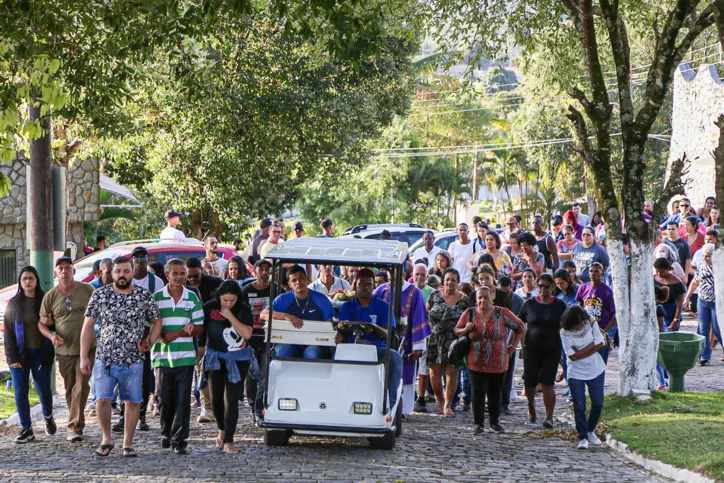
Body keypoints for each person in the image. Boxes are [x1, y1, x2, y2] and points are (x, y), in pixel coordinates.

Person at [80, 257, 162, 457]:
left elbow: (157, 321)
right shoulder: (100, 294)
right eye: (118, 271)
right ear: (112, 273)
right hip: (104, 358)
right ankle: (106, 438)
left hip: (133, 359)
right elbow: (88, 326)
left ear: (132, 272)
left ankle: (127, 443)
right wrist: (84, 356)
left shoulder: (143, 295)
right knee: (102, 399)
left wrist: (150, 341)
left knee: (132, 401)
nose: (122, 275)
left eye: (126, 271)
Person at [37, 257, 95, 442]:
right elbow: (43, 323)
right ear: (55, 273)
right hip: (64, 351)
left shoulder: (88, 290)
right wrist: (52, 336)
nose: (64, 271)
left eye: (68, 268)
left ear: (73, 271)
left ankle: (74, 427)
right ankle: (77, 422)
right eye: (60, 268)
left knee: (81, 385)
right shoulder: (50, 296)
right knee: (71, 389)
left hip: (87, 348)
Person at [151, 259, 205, 454]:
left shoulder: (192, 297)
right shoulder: (156, 298)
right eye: (175, 273)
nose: (180, 277)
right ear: (167, 275)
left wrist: (180, 333)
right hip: (162, 356)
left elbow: (199, 326)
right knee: (164, 397)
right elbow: (148, 324)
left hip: (185, 356)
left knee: (183, 398)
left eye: (182, 273)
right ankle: (166, 432)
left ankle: (179, 439)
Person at [454, 286, 525, 434]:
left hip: (498, 361)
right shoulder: (470, 313)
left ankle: (494, 422)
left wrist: (512, 347)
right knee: (477, 392)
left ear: (492, 297)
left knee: (495, 392)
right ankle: (478, 423)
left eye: (486, 297)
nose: (482, 300)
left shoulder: (502, 313)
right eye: (479, 297)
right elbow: (456, 331)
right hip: (475, 360)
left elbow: (520, 327)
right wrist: (466, 329)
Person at [335, 270, 403, 410]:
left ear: (373, 286)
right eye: (361, 284)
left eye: (368, 284)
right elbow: (342, 329)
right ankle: (336, 400)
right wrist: (342, 327)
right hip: (351, 349)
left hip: (376, 348)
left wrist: (373, 327)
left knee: (395, 357)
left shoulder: (383, 306)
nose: (365, 287)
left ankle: (389, 404)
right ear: (355, 285)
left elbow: (388, 333)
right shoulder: (347, 306)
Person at [203, 280, 257, 453]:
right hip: (215, 358)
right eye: (225, 300)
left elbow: (247, 333)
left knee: (231, 400)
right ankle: (221, 428)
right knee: (216, 399)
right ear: (219, 296)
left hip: (237, 359)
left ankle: (228, 441)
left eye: (232, 300)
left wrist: (230, 316)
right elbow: (201, 328)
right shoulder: (210, 307)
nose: (228, 303)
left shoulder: (243, 309)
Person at [4, 267, 57, 443]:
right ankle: (27, 428)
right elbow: (9, 333)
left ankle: (48, 416)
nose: (28, 282)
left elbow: (54, 325)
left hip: (41, 353)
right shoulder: (14, 303)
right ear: (20, 281)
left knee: (43, 390)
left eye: (31, 278)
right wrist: (12, 358)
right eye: (24, 278)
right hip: (20, 354)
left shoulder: (45, 300)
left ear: (37, 281)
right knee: (20, 391)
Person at [374, 270, 431, 415]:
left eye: (394, 277)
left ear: (403, 276)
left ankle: (403, 409)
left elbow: (419, 317)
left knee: (405, 373)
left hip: (407, 341)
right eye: (389, 277)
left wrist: (418, 346)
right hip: (383, 339)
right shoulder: (382, 290)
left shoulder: (415, 293)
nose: (391, 280)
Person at [518, 273, 567, 428]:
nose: (543, 289)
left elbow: (566, 329)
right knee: (530, 381)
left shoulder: (559, 305)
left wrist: (565, 357)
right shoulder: (529, 304)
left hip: (552, 348)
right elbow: (520, 325)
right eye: (540, 286)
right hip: (531, 348)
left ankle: (549, 416)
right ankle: (531, 406)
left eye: (546, 286)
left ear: (553, 287)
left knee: (547, 382)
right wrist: (520, 345)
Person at [261, 265, 335, 359]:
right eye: (294, 280)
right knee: (283, 351)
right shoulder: (282, 299)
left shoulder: (321, 299)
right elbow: (263, 314)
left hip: (314, 342)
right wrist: (286, 316)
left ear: (307, 279)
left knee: (311, 354)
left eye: (301, 278)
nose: (298, 282)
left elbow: (329, 324)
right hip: (289, 341)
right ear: (289, 283)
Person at [560, 305, 606, 450]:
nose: (580, 326)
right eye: (576, 324)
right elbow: (572, 356)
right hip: (576, 372)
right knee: (579, 405)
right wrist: (590, 346)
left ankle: (590, 429)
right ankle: (583, 437)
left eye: (581, 323)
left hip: (595, 368)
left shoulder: (590, 321)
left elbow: (600, 343)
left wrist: (581, 352)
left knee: (598, 403)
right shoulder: (565, 332)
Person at [426, 268, 468, 417]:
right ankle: (439, 399)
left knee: (452, 373)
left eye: (453, 280)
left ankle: (448, 404)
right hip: (435, 339)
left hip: (454, 341)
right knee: (434, 372)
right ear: (443, 282)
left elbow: (468, 320)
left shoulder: (464, 300)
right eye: (447, 279)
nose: (450, 282)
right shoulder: (434, 295)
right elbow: (426, 313)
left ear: (458, 282)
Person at [186, 257, 223, 423]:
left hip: (213, 333)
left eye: (196, 276)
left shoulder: (214, 283)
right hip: (193, 335)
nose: (193, 279)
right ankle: (206, 407)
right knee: (201, 371)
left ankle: (214, 406)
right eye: (190, 276)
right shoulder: (182, 286)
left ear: (202, 271)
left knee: (213, 371)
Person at [241, 259, 274, 422]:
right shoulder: (246, 290)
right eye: (261, 269)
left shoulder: (277, 290)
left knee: (265, 374)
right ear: (254, 272)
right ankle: (253, 406)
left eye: (267, 270)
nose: (264, 272)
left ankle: (261, 407)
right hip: (250, 339)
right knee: (251, 376)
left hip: (270, 339)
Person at [683, 244, 721, 365]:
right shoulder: (701, 266)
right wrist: (687, 297)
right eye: (704, 256)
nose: (706, 258)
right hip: (703, 300)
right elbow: (695, 282)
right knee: (703, 329)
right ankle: (705, 356)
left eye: (708, 256)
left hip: (717, 302)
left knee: (717, 328)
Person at [575, 263, 617, 364]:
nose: (593, 274)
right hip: (586, 331)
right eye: (591, 271)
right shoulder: (583, 288)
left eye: (596, 271)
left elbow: (614, 316)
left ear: (602, 273)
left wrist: (604, 331)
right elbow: (579, 306)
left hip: (600, 330)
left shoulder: (608, 292)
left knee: (600, 363)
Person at [654, 258, 687, 331]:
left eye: (662, 272)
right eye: (657, 271)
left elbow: (680, 303)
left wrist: (676, 320)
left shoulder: (677, 283)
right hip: (656, 310)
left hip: (670, 312)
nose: (659, 274)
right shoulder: (653, 278)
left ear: (668, 269)